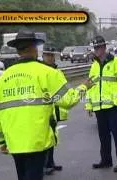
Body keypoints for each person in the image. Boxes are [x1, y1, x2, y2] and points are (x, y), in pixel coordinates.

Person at [0, 29, 92, 180]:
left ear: (18, 50)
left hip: (14, 142)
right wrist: (84, 87)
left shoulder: (3, 78)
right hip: (37, 141)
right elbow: (68, 100)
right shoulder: (47, 73)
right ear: (34, 48)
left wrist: (1, 142)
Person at [85, 35, 117, 172]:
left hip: (113, 106)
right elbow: (90, 86)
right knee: (103, 136)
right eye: (95, 47)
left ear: (104, 47)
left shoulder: (116, 62)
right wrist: (89, 105)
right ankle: (106, 161)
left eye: (99, 47)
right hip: (99, 107)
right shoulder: (94, 65)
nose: (97, 50)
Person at [42, 46, 67, 175]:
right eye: (47, 55)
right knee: (45, 138)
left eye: (52, 55)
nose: (50, 58)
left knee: (52, 137)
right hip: (44, 110)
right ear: (43, 56)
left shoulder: (57, 71)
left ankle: (51, 162)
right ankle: (45, 165)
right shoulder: (41, 71)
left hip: (55, 109)